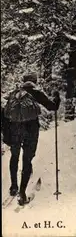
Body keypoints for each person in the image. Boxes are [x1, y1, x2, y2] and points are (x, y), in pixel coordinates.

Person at [2, 72, 60, 205]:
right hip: (31, 129)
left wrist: (7, 134)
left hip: (15, 128)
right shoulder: (36, 92)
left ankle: (13, 187)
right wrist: (57, 98)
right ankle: (22, 192)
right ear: (35, 81)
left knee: (14, 156)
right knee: (27, 159)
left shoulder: (14, 93)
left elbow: (4, 112)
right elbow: (53, 107)